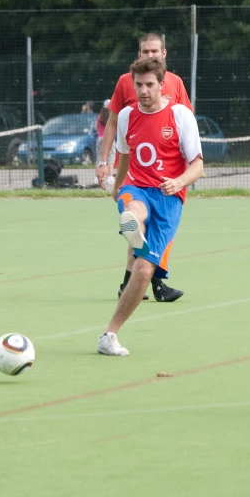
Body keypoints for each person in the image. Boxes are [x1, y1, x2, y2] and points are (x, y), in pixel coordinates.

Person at [97, 59, 203, 356]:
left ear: (161, 84)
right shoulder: (128, 116)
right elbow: (126, 158)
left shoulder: (180, 116)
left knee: (143, 272)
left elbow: (198, 166)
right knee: (134, 210)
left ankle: (109, 335)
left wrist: (179, 181)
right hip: (136, 188)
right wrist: (118, 186)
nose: (143, 90)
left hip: (169, 198)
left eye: (149, 85)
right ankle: (132, 223)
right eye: (138, 85)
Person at [96, 32, 192, 303]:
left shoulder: (176, 83)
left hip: (168, 171)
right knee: (140, 225)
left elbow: (185, 123)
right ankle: (152, 284)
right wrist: (105, 162)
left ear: (164, 54)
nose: (150, 55)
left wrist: (184, 172)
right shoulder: (127, 82)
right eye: (145, 51)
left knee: (144, 230)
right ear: (138, 55)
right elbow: (113, 123)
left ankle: (131, 283)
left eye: (155, 51)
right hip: (137, 170)